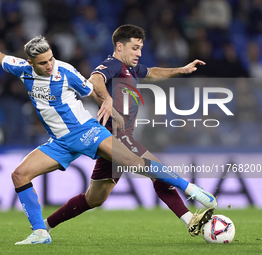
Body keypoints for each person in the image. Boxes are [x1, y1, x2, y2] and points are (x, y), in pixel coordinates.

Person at [0, 25, 217, 245]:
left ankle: (190, 190)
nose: (50, 65)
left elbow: (93, 85)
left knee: (136, 164)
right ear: (30, 63)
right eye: (43, 63)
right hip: (59, 142)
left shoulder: (66, 70)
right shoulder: (23, 69)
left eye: (51, 59)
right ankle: (41, 231)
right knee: (22, 176)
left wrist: (107, 100)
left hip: (85, 131)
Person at [44, 24, 215, 237]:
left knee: (94, 198)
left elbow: (152, 72)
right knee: (157, 170)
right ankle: (190, 218)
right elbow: (95, 79)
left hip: (118, 139)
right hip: (115, 136)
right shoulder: (113, 65)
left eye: (141, 48)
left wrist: (181, 70)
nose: (139, 53)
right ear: (119, 46)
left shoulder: (132, 69)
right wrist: (106, 99)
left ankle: (45, 226)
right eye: (134, 48)